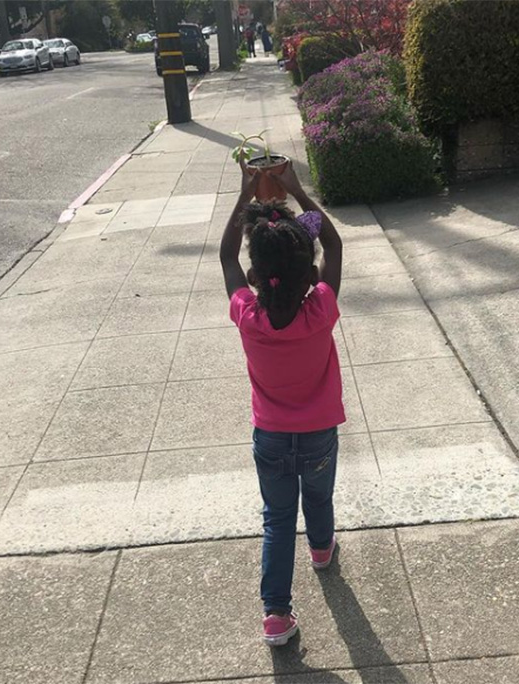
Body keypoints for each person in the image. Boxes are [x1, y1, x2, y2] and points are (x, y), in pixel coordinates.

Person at [219, 160, 344, 647]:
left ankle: (276, 614)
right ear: (310, 274)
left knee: (276, 517)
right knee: (318, 496)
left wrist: (245, 195)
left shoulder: (248, 315)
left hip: (269, 436)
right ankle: (320, 549)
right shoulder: (321, 309)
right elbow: (332, 242)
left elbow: (226, 256)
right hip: (318, 433)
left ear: (255, 275)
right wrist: (297, 190)